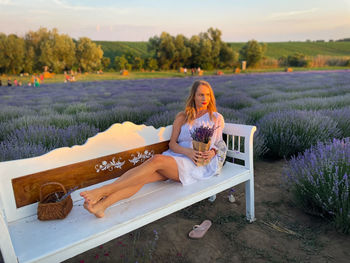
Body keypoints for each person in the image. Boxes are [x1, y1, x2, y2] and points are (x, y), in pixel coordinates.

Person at [80, 80, 225, 218]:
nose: (204, 98)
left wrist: (211, 153)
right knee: (140, 179)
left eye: (208, 94)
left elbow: (218, 144)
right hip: (177, 157)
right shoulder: (183, 117)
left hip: (195, 164)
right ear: (193, 96)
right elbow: (172, 144)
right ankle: (101, 206)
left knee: (156, 159)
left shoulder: (216, 118)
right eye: (201, 94)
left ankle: (102, 191)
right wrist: (188, 151)